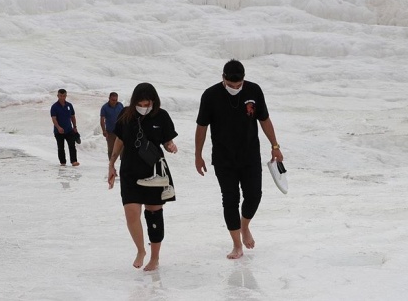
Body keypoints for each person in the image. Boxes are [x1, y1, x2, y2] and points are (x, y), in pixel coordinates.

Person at [195, 59, 284, 259]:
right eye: (230, 85)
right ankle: (237, 245)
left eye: (238, 85)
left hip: (250, 154)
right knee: (230, 200)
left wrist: (275, 146)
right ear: (223, 79)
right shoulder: (210, 95)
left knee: (254, 195)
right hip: (223, 158)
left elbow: (264, 119)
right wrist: (197, 155)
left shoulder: (254, 90)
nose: (235, 88)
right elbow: (201, 126)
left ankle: (244, 227)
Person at [108, 82, 178, 271]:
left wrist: (171, 146)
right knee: (131, 212)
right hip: (130, 170)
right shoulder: (126, 115)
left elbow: (167, 140)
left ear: (154, 102)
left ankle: (155, 257)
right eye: (141, 104)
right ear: (134, 101)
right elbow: (119, 140)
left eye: (148, 104)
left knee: (154, 214)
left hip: (154, 172)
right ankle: (141, 250)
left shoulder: (161, 116)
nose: (144, 107)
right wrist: (111, 164)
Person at [50, 88, 80, 166]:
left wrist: (75, 127)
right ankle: (62, 162)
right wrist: (58, 127)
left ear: (66, 96)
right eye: (61, 96)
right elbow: (54, 119)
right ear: (58, 96)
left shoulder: (69, 105)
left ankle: (74, 161)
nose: (62, 97)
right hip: (58, 131)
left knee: (72, 146)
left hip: (69, 130)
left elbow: (73, 116)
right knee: (61, 147)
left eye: (64, 96)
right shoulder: (54, 107)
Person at [100, 92, 124, 160]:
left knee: (122, 149)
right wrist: (104, 131)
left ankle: (123, 164)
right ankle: (111, 164)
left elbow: (124, 116)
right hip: (110, 132)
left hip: (120, 131)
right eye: (113, 100)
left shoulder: (120, 105)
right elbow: (102, 120)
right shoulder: (104, 107)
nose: (114, 102)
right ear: (109, 98)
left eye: (116, 100)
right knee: (111, 149)